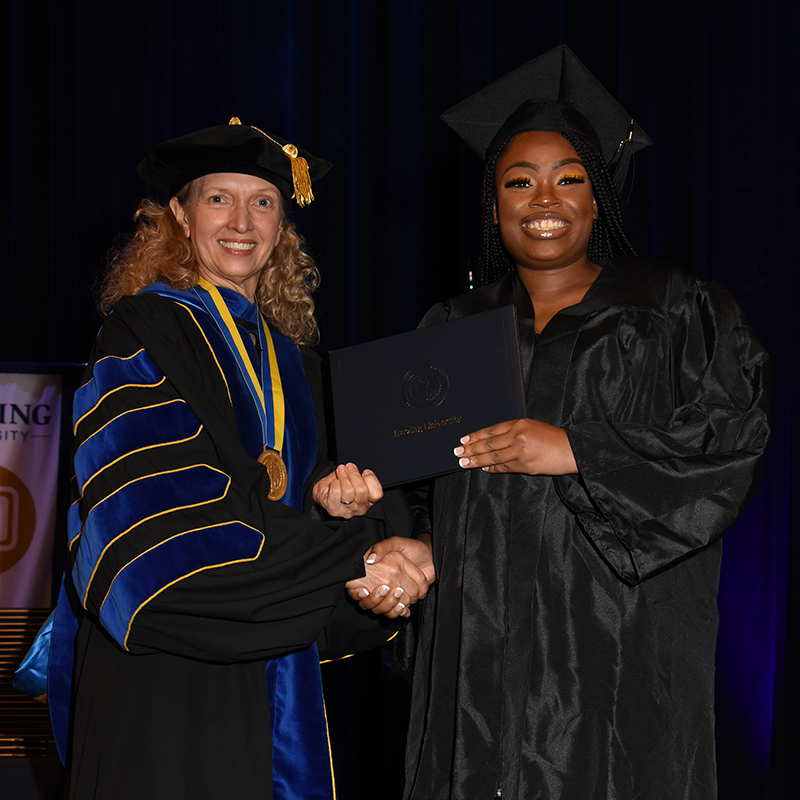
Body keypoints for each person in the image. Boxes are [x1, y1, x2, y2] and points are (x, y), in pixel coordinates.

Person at [363, 46, 770, 800]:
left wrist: (580, 451)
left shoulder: (677, 308)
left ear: (600, 195)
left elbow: (729, 447)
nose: (542, 198)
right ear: (493, 205)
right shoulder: (449, 328)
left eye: (569, 178)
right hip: (476, 647)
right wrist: (413, 546)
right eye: (518, 181)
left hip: (617, 644)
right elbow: (414, 483)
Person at [17, 118, 434, 800]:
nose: (242, 221)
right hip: (161, 676)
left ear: (282, 228)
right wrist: (360, 553)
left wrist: (340, 510)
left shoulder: (300, 366)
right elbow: (158, 518)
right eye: (219, 199)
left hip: (270, 662)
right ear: (179, 214)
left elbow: (306, 515)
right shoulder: (140, 332)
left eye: (263, 201)